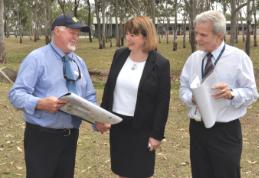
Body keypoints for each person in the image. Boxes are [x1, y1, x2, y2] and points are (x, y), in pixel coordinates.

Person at [8, 15, 96, 178]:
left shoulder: (79, 62)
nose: (76, 38)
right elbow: (15, 94)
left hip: (70, 137)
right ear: (57, 31)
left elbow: (89, 95)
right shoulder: (37, 59)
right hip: (42, 137)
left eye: (78, 34)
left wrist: (97, 119)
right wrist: (40, 103)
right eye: (72, 32)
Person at [179, 10, 259, 178]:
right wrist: (192, 98)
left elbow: (252, 93)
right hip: (197, 130)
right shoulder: (194, 59)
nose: (197, 39)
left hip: (225, 132)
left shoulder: (239, 59)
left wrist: (232, 94)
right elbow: (183, 89)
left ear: (219, 35)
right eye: (196, 33)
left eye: (203, 35)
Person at [97, 16, 170, 178]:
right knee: (121, 171)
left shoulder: (160, 64)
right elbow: (109, 88)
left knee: (140, 173)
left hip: (142, 129)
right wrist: (102, 116)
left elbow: (162, 103)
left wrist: (157, 135)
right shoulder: (119, 55)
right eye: (127, 34)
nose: (128, 38)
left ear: (146, 37)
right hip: (118, 125)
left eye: (133, 35)